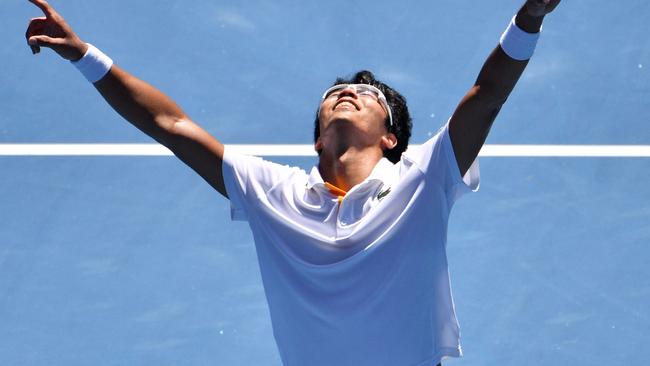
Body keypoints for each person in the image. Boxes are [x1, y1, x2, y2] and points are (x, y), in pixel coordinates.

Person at [25, 0, 561, 364]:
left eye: (368, 95)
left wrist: (530, 15)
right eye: (337, 93)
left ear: (392, 140)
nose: (349, 92)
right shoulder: (271, 191)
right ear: (317, 139)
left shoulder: (426, 175)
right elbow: (169, 124)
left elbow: (488, 92)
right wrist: (83, 54)